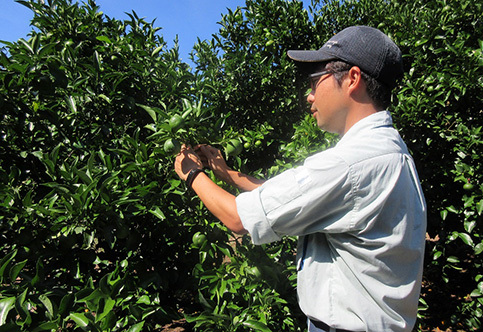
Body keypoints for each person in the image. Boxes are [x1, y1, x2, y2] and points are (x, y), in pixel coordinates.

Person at [174, 25, 427, 332]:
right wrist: (227, 174)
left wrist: (191, 174)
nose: (309, 96)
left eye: (314, 82)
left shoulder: (349, 164)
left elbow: (238, 218)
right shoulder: (388, 151)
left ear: (352, 79)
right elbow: (297, 201)